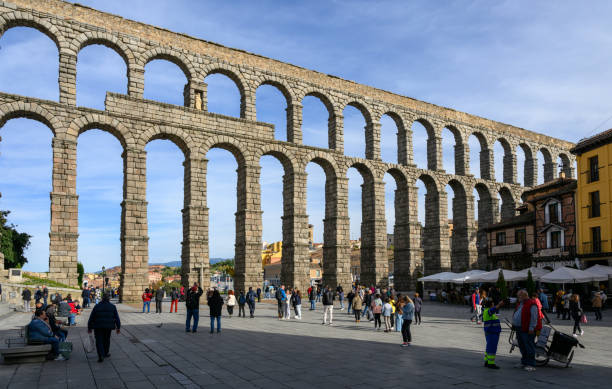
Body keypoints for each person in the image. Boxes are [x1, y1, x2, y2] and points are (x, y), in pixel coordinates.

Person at [512, 289, 540, 371]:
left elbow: (534, 317)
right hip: (519, 328)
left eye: (519, 296)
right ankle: (524, 362)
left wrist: (532, 327)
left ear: (524, 295)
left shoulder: (532, 304)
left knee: (529, 346)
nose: (518, 297)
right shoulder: (521, 303)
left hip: (527, 329)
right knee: (522, 346)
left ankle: (531, 364)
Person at [87, 292, 120, 363]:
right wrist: (118, 327)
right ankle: (106, 353)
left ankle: (100, 355)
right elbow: (117, 318)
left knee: (99, 341)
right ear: (109, 299)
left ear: (102, 298)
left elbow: (91, 317)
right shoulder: (112, 306)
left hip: (98, 326)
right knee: (107, 339)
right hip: (108, 326)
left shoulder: (97, 306)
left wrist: (89, 327)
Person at [482, 298, 504, 369]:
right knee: (492, 348)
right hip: (492, 332)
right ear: (491, 304)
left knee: (489, 347)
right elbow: (493, 309)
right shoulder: (489, 311)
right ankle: (491, 363)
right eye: (493, 304)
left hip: (490, 331)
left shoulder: (486, 311)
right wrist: (500, 304)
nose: (493, 304)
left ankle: (487, 361)